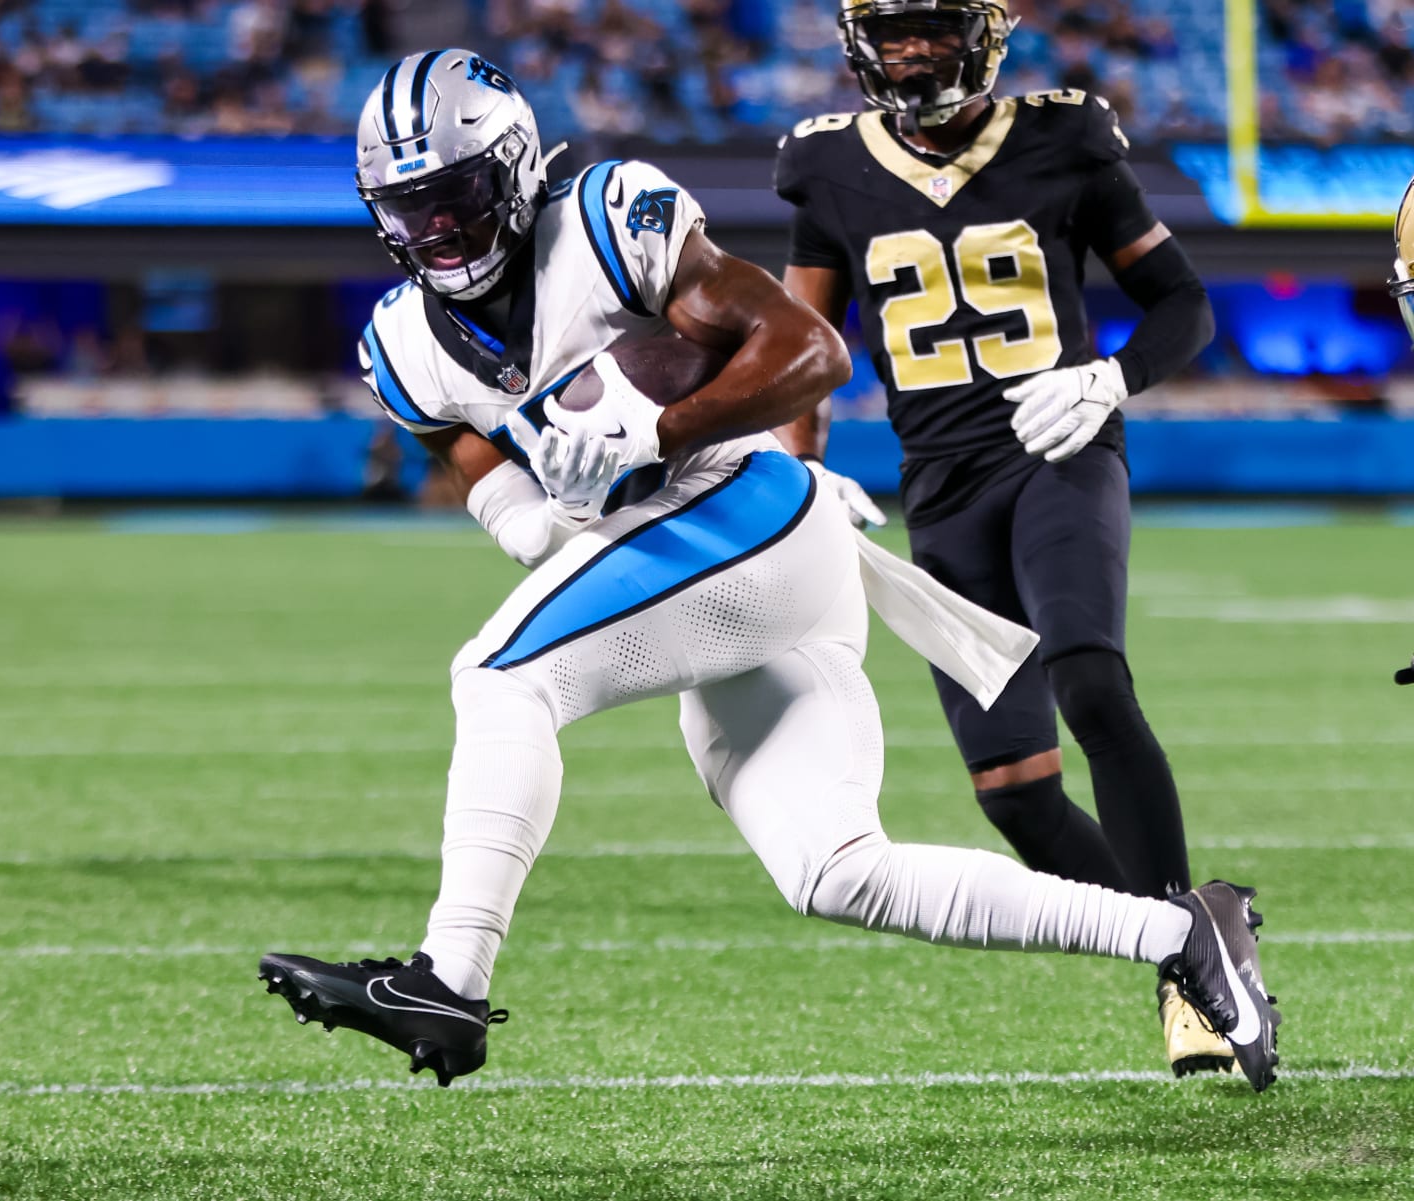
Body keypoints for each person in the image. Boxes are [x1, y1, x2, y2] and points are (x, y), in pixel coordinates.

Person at [258, 49, 1278, 1092]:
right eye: (409, 209)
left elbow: (811, 352)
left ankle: (451, 977)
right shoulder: (402, 345)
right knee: (838, 871)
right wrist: (544, 508)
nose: (436, 232)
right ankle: (1186, 934)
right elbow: (492, 486)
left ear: (516, 168)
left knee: (500, 675)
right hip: (712, 569)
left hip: (746, 513)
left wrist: (656, 428)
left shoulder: (610, 217)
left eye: (456, 199)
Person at [771, 1, 1225, 1074]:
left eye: (932, 26)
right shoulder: (826, 166)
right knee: (1015, 795)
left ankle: (1193, 984)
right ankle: (1205, 935)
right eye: (893, 31)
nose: (913, 50)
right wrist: (798, 471)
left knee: (1093, 684)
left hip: (1060, 450)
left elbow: (1182, 303)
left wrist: (1111, 375)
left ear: (984, 30)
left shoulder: (1063, 136)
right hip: (940, 492)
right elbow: (801, 345)